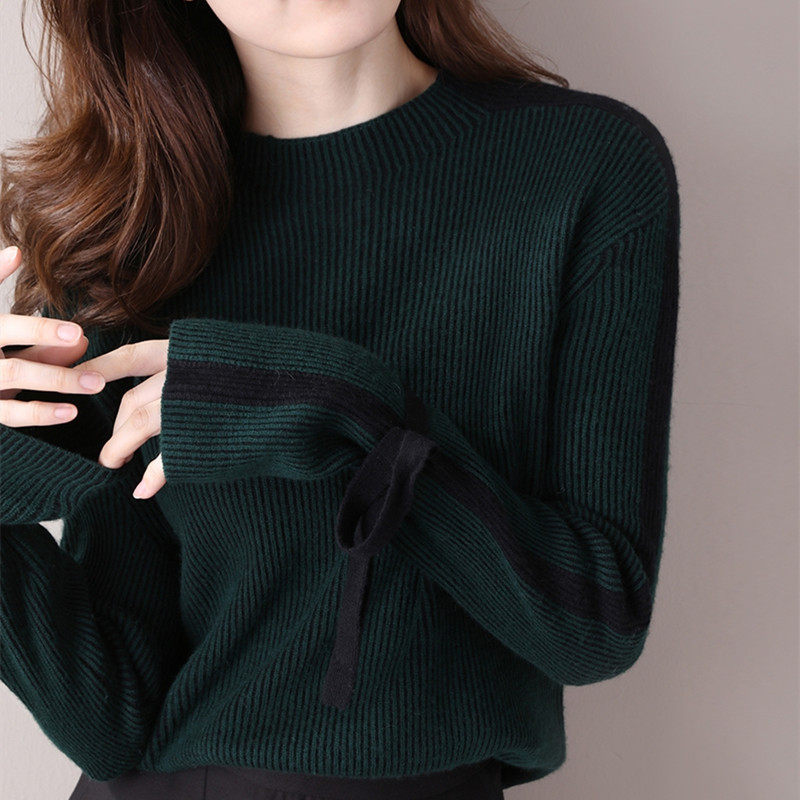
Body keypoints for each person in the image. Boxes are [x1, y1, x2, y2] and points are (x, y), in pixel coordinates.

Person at [0, 0, 681, 798]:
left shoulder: (582, 164)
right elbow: (109, 722)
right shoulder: (123, 225)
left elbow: (594, 625)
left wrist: (335, 405)